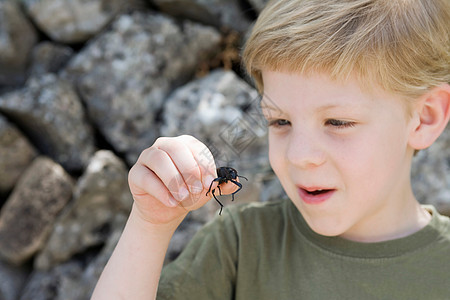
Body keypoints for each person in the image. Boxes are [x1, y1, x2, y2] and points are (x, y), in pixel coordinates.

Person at [91, 0, 450, 299]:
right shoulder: (241, 245)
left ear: (424, 118)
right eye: (280, 122)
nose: (298, 155)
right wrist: (151, 223)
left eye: (337, 122)